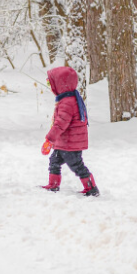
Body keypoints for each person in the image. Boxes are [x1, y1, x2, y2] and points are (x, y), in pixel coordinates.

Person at [40, 66, 100, 197]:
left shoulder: (67, 102)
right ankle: (53, 185)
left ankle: (91, 188)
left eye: (51, 83)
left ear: (60, 84)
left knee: (77, 166)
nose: (51, 87)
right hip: (65, 143)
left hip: (70, 145)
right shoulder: (69, 99)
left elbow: (60, 124)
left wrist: (49, 139)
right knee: (54, 161)